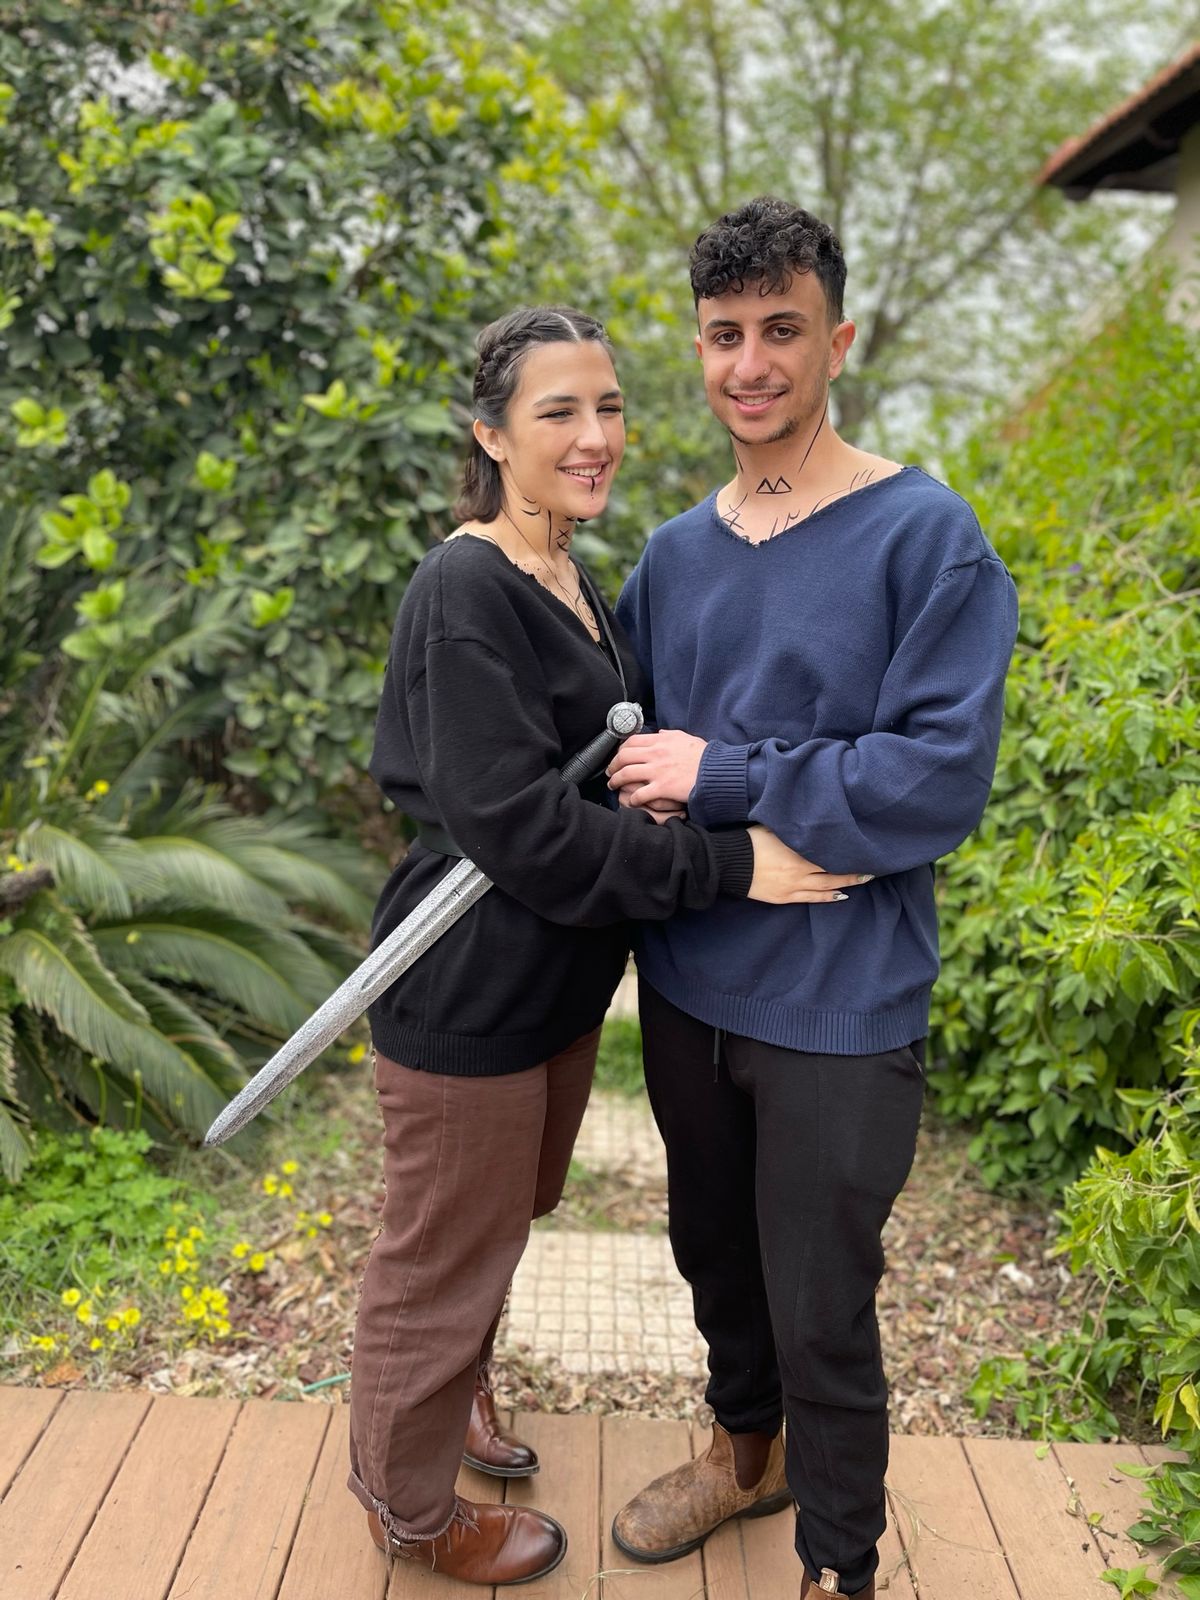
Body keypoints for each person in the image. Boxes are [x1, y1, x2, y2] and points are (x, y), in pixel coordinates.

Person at [347, 303, 871, 1589]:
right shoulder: (466, 588)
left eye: (611, 407)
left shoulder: (573, 574)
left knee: (501, 1220)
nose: (595, 437)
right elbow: (526, 832)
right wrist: (736, 863)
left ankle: (460, 1389)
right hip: (468, 993)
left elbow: (604, 774)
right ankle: (409, 1506)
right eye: (559, 412)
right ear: (492, 435)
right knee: (437, 1255)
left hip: (555, 990)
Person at [606, 199, 1020, 1600]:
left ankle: (840, 1564)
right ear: (698, 349)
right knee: (714, 1260)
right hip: (690, 983)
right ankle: (745, 1456)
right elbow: (627, 758)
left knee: (824, 1303)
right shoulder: (674, 555)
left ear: (836, 342)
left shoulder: (927, 538)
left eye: (782, 329)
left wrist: (724, 777)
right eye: (724, 334)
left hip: (842, 998)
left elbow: (932, 783)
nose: (751, 363)